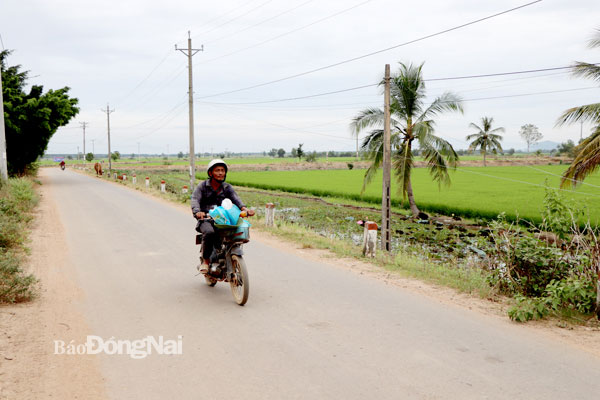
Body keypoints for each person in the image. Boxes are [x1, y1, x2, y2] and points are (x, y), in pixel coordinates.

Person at [191, 159, 254, 270]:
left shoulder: (227, 187)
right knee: (209, 232)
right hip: (207, 219)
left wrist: (245, 209)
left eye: (222, 170)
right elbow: (195, 199)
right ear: (210, 173)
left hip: (224, 219)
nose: (220, 173)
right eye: (217, 170)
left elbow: (236, 199)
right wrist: (197, 212)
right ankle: (205, 261)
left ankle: (227, 254)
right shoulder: (202, 187)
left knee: (236, 231)